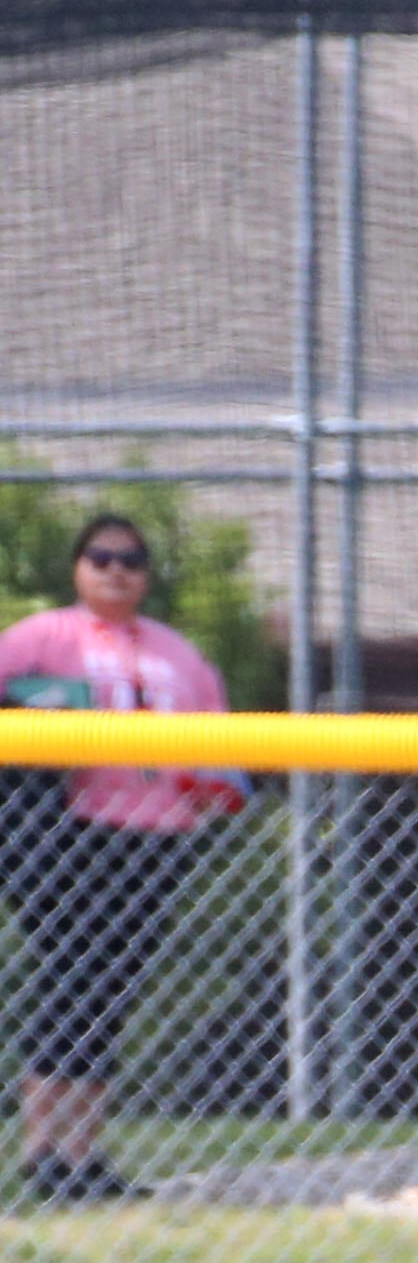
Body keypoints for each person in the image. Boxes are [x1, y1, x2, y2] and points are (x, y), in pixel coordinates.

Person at [0, 514, 239, 1204]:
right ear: (78, 568)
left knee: (112, 990)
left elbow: (215, 741)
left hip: (157, 835)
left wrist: (210, 792)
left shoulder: (175, 653)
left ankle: (84, 1154)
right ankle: (41, 1151)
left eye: (130, 559)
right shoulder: (44, 638)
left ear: (147, 574)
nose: (115, 570)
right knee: (70, 979)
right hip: (74, 831)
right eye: (100, 557)